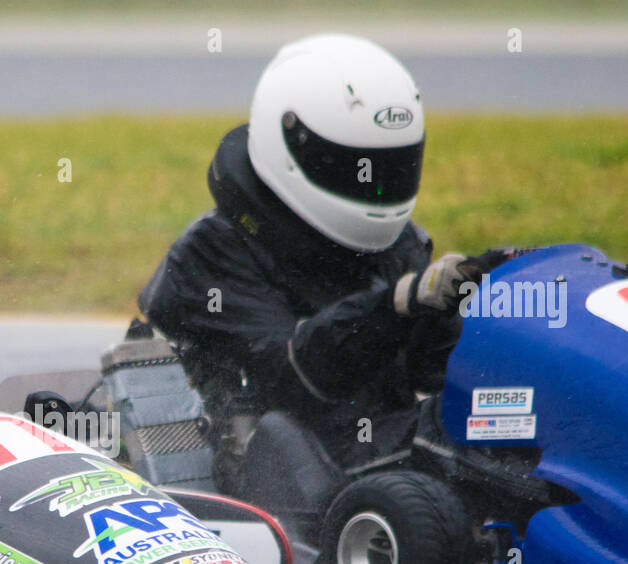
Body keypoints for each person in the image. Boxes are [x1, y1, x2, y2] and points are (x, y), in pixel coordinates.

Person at [138, 34, 498, 499]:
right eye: (355, 168)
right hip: (270, 482)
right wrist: (396, 304)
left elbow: (439, 373)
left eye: (392, 168)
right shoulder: (214, 254)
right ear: (290, 141)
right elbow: (293, 379)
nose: (376, 187)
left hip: (382, 470)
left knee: (503, 419)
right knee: (448, 438)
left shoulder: (399, 245)